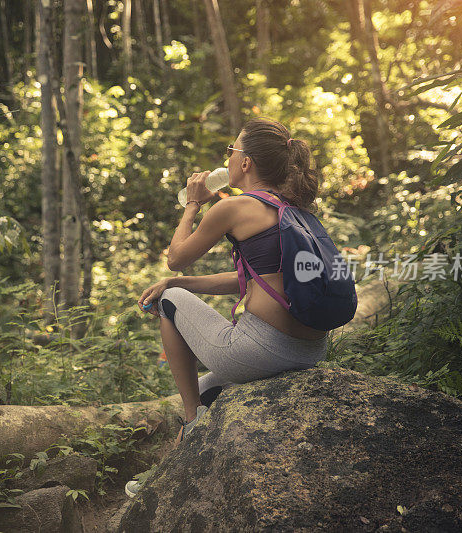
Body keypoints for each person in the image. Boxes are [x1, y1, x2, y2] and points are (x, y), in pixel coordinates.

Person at [139, 117, 330, 447]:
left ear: (244, 162)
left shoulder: (234, 206)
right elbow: (252, 279)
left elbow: (175, 257)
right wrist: (183, 282)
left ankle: (193, 419)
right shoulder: (294, 209)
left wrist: (193, 204)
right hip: (310, 351)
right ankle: (164, 479)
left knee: (165, 300)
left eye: (231, 149)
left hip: (261, 349)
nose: (226, 157)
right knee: (204, 390)